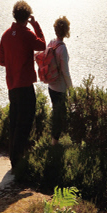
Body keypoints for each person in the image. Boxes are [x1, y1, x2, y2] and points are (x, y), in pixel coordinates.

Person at [0, 0, 46, 169]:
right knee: (25, 122)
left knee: (15, 122)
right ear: (27, 16)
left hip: (12, 86)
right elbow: (42, 45)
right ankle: (17, 162)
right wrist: (35, 25)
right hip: (25, 85)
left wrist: (12, 63)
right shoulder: (27, 33)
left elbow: (1, 60)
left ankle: (14, 157)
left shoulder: (6, 35)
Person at [47, 16, 73, 144]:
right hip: (60, 88)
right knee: (60, 115)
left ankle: (53, 139)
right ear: (66, 31)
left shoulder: (51, 43)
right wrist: (71, 89)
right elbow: (65, 72)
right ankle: (55, 143)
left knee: (55, 112)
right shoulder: (62, 48)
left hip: (51, 85)